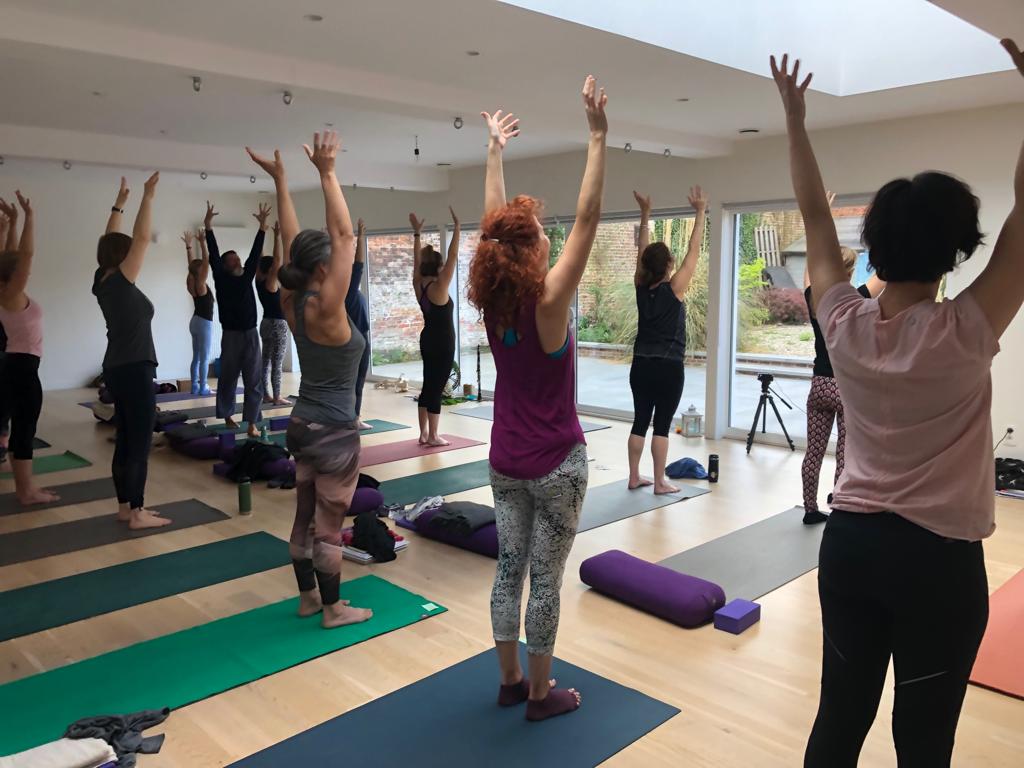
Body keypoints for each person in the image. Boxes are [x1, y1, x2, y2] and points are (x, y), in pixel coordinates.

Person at [772, 40, 1024, 767]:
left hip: (850, 548)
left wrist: (795, 118)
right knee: (922, 742)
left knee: (838, 724)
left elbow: (815, 224)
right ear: (955, 254)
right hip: (937, 565)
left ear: (874, 252)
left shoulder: (845, 324)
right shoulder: (967, 330)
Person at [467, 75, 607, 721]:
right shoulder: (548, 302)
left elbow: (493, 229)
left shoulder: (495, 301)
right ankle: (543, 696)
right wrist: (598, 137)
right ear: (531, 248)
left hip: (504, 461)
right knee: (545, 580)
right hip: (556, 464)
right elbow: (588, 219)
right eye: (539, 233)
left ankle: (508, 681)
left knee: (508, 571)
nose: (551, 235)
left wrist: (493, 152)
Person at [248, 130, 372, 629]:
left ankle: (305, 598)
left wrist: (281, 180)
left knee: (302, 517)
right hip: (335, 433)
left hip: (300, 425)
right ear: (325, 268)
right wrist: (326, 173)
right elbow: (343, 237)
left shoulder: (293, 302)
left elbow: (293, 241)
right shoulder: (328, 308)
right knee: (328, 528)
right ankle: (333, 609)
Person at [93, 175, 170, 529]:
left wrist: (118, 204)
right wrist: (148, 197)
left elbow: (109, 241)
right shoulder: (121, 283)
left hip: (116, 368)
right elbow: (140, 239)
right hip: (136, 369)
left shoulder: (102, 281)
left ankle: (125, 507)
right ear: (122, 257)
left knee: (125, 438)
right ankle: (137, 512)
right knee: (138, 442)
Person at [627, 186, 708, 495]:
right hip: (668, 366)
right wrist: (700, 212)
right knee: (661, 425)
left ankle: (635, 476)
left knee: (639, 421)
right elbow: (694, 251)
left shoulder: (640, 286)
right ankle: (659, 482)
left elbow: (642, 252)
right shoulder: (674, 289)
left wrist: (645, 214)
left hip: (641, 364)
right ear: (669, 266)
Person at [801, 243, 884, 525]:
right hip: (845, 388)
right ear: (850, 271)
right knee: (843, 454)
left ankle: (810, 510)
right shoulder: (856, 299)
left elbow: (811, 271)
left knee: (813, 451)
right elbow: (885, 276)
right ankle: (838, 504)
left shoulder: (814, 298)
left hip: (819, 385)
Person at [0, 191, 58, 505]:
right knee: (24, 429)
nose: (28, 275)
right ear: (12, 279)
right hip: (22, 369)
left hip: (16, 365)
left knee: (21, 428)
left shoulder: (6, 293)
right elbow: (24, 257)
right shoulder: (10, 295)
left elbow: (11, 258)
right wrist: (30, 218)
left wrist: (12, 223)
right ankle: (26, 492)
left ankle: (26, 489)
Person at [205, 200, 269, 438]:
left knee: (253, 380)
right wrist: (208, 227)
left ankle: (252, 421)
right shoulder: (221, 279)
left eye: (238, 259)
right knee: (229, 377)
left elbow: (254, 255)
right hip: (231, 335)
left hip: (251, 334)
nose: (238, 261)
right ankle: (227, 414)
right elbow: (212, 253)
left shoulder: (246, 275)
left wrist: (262, 227)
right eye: (232, 260)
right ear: (224, 265)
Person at [410, 207, 458, 446]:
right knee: (436, 388)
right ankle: (433, 436)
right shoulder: (440, 287)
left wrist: (417, 235)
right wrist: (457, 230)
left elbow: (416, 262)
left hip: (427, 340)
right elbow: (453, 258)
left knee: (428, 384)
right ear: (438, 267)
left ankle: (422, 434)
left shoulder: (419, 284)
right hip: (443, 343)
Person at [257, 220, 290, 405]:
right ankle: (277, 396)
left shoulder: (258, 280)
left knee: (266, 361)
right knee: (276, 363)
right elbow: (277, 261)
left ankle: (265, 394)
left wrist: (263, 232)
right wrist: (276, 236)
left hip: (265, 323)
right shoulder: (270, 283)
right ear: (271, 270)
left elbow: (259, 259)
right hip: (278, 324)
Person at [183, 228, 214, 395]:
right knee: (204, 357)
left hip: (194, 321)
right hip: (203, 323)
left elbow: (191, 267)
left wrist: (188, 247)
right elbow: (206, 261)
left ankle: (195, 386)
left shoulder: (191, 282)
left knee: (196, 356)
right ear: (200, 271)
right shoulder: (201, 285)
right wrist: (202, 243)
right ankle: (203, 387)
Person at [348, 219, 372, 430]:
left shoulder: (343, 290)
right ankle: (352, 418)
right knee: (356, 382)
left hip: (357, 336)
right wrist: (361, 237)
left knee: (357, 381)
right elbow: (359, 265)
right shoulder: (347, 288)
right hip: (356, 338)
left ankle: (352, 417)